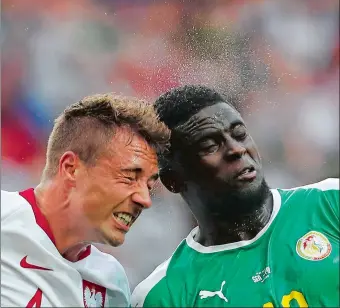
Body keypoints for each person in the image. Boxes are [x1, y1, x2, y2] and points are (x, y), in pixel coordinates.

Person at [132, 85, 339, 308]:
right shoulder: (164, 295)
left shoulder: (330, 203)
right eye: (210, 146)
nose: (237, 149)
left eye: (240, 134)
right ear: (173, 180)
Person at [1, 93, 170, 308]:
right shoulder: (5, 216)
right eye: (129, 177)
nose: (145, 200)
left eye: (149, 186)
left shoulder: (112, 284)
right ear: (71, 168)